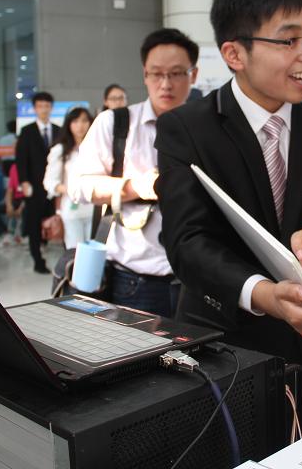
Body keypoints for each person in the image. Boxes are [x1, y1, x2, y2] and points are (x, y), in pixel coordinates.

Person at [155, 0, 302, 431]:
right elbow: (187, 242)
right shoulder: (188, 128)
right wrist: (263, 294)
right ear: (235, 54)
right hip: (225, 355)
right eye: (289, 40)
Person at [74, 28, 199, 317]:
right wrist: (135, 187)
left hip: (196, 280)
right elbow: (80, 187)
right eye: (156, 74)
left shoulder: (208, 128)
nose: (165, 84)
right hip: (134, 279)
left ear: (193, 75)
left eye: (176, 73)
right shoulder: (114, 124)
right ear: (145, 74)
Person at [15, 92, 60, 274]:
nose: (44, 109)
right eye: (40, 106)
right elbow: (21, 159)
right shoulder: (27, 131)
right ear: (34, 108)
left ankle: (60, 256)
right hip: (34, 186)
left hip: (55, 187)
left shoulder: (58, 130)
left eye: (47, 106)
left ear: (51, 108)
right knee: (34, 223)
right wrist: (24, 181)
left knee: (56, 219)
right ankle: (37, 260)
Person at [43, 107, 94, 250]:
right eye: (75, 121)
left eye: (84, 121)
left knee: (95, 252)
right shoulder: (60, 150)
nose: (80, 125)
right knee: (75, 252)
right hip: (72, 208)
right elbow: (49, 182)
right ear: (69, 124)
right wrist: (71, 190)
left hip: (95, 208)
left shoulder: (97, 147)